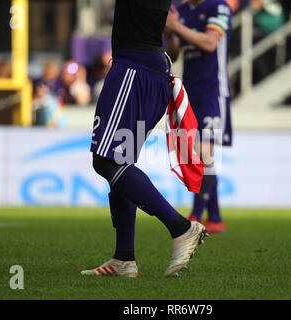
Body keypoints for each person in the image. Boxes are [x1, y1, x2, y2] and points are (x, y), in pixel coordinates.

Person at [81, 0, 208, 278]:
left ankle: (181, 227)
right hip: (145, 66)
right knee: (119, 162)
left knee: (106, 161)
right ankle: (123, 258)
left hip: (134, 68)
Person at [165, 0, 233, 233]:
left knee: (204, 154)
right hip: (191, 92)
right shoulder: (181, 11)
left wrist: (177, 27)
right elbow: (174, 54)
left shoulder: (218, 7)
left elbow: (210, 42)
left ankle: (195, 215)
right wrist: (170, 33)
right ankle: (214, 217)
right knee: (196, 155)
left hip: (215, 92)